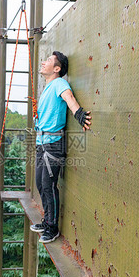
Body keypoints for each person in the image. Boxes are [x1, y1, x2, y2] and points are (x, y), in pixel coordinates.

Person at [30, 51, 91, 243]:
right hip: (42, 143)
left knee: (48, 185)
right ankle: (47, 220)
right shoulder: (48, 88)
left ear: (57, 69)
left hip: (53, 144)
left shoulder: (59, 84)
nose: (43, 62)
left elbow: (69, 98)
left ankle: (52, 228)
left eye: (48, 61)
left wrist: (79, 113)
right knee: (40, 184)